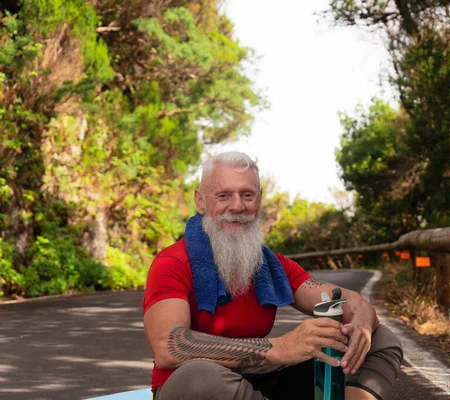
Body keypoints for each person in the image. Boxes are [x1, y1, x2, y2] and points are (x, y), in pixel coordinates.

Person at [143, 151, 403, 400]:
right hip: (194, 386)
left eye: (247, 195)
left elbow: (353, 303)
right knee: (199, 377)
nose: (237, 206)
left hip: (259, 376)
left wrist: (362, 324)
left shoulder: (271, 265)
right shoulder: (172, 262)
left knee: (378, 338)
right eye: (223, 195)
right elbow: (168, 346)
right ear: (200, 201)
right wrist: (281, 348)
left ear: (259, 199)